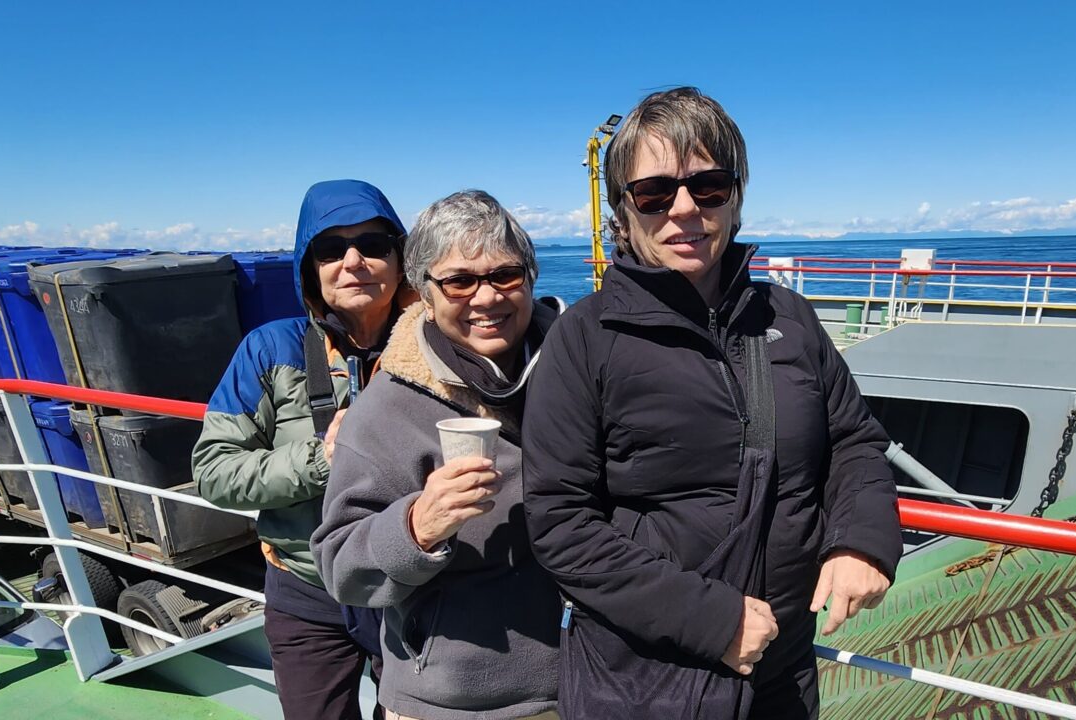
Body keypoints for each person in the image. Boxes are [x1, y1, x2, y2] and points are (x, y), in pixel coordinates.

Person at [522, 87, 903, 719]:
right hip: (645, 680)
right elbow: (560, 524)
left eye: (709, 187)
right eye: (654, 193)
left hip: (780, 673)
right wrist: (713, 620)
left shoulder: (790, 319)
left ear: (736, 197)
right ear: (623, 209)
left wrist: (860, 540)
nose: (684, 211)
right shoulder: (585, 339)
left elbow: (854, 442)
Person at [312, 190, 562, 720]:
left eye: (505, 275)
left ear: (531, 279)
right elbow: (340, 567)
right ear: (425, 294)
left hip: (591, 681)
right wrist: (415, 528)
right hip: (456, 702)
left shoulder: (579, 373)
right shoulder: (387, 407)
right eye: (459, 281)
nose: (486, 297)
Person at [193, 179, 411, 720]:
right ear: (309, 266)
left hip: (413, 587)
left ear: (401, 257)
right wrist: (324, 457)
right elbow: (213, 472)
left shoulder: (439, 348)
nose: (354, 261)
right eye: (331, 250)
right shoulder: (269, 349)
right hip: (307, 591)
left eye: (374, 244)